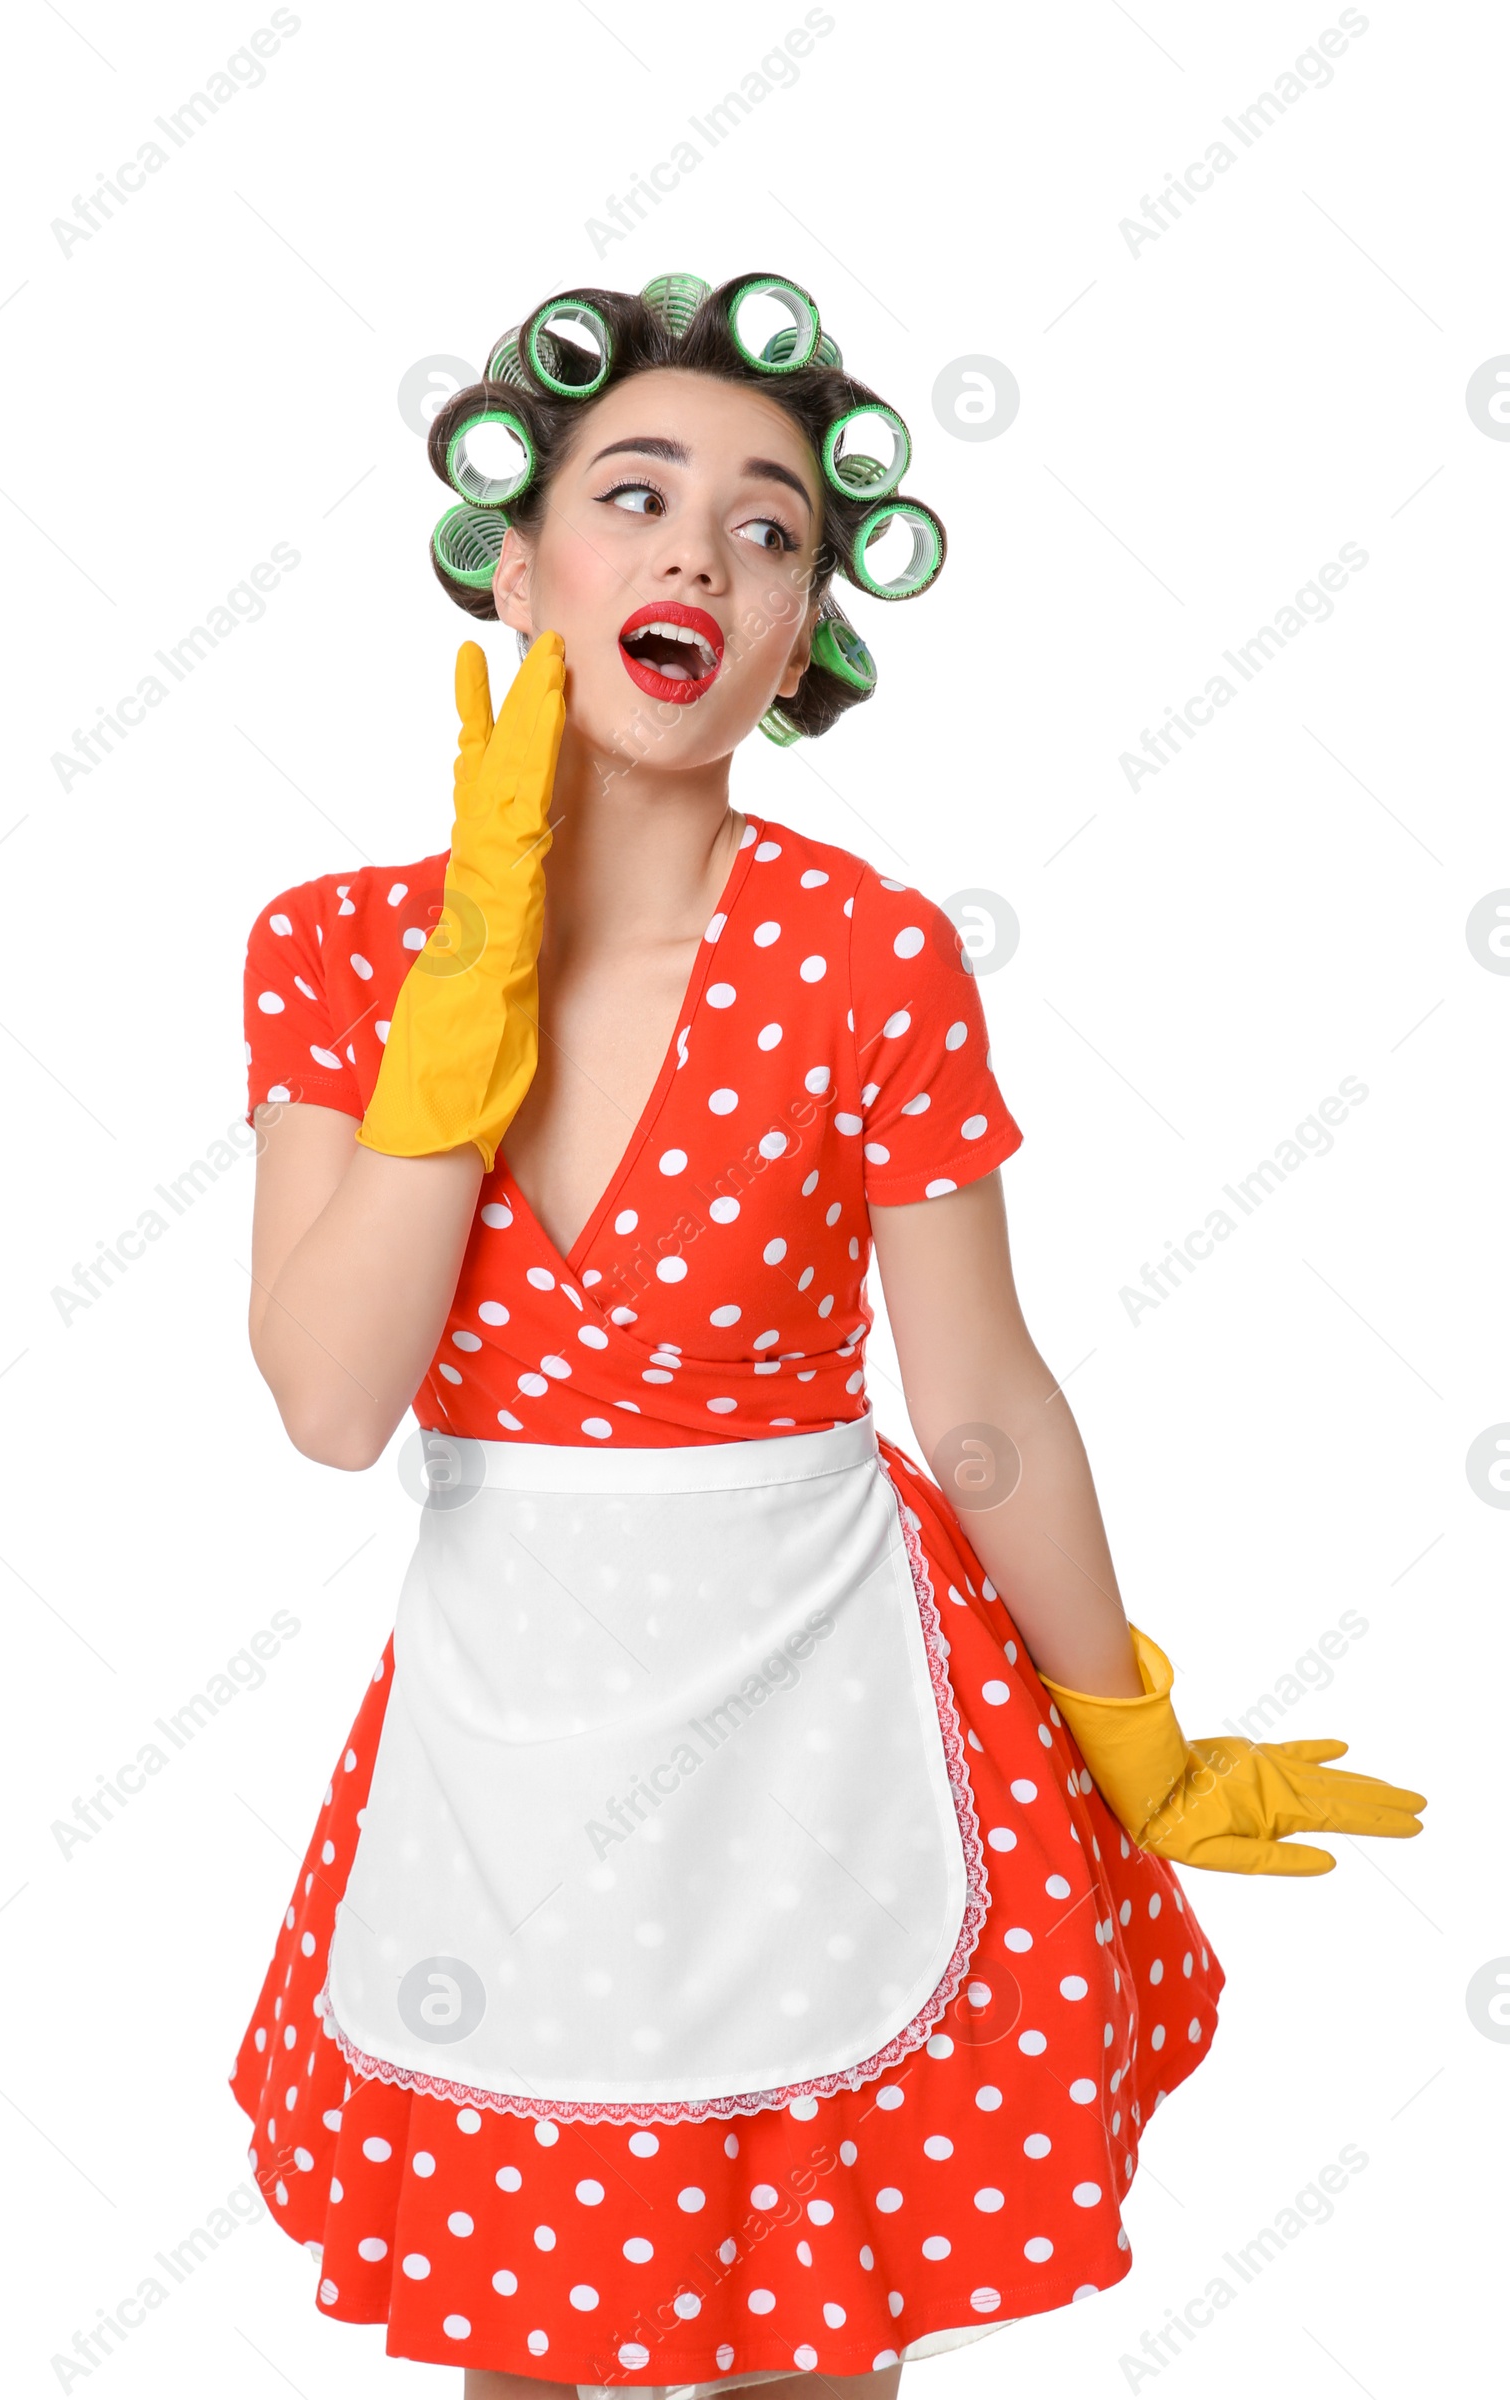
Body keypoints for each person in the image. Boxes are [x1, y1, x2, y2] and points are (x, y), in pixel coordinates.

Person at [230, 273, 1426, 2400]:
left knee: (809, 2346)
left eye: (767, 528)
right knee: (534, 2333)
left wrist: (1123, 1720)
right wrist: (461, 1005)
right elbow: (332, 1404)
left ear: (791, 646)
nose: (699, 548)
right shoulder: (342, 947)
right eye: (636, 495)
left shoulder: (863, 953)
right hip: (512, 1738)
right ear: (524, 571)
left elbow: (978, 1403)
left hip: (833, 1714)